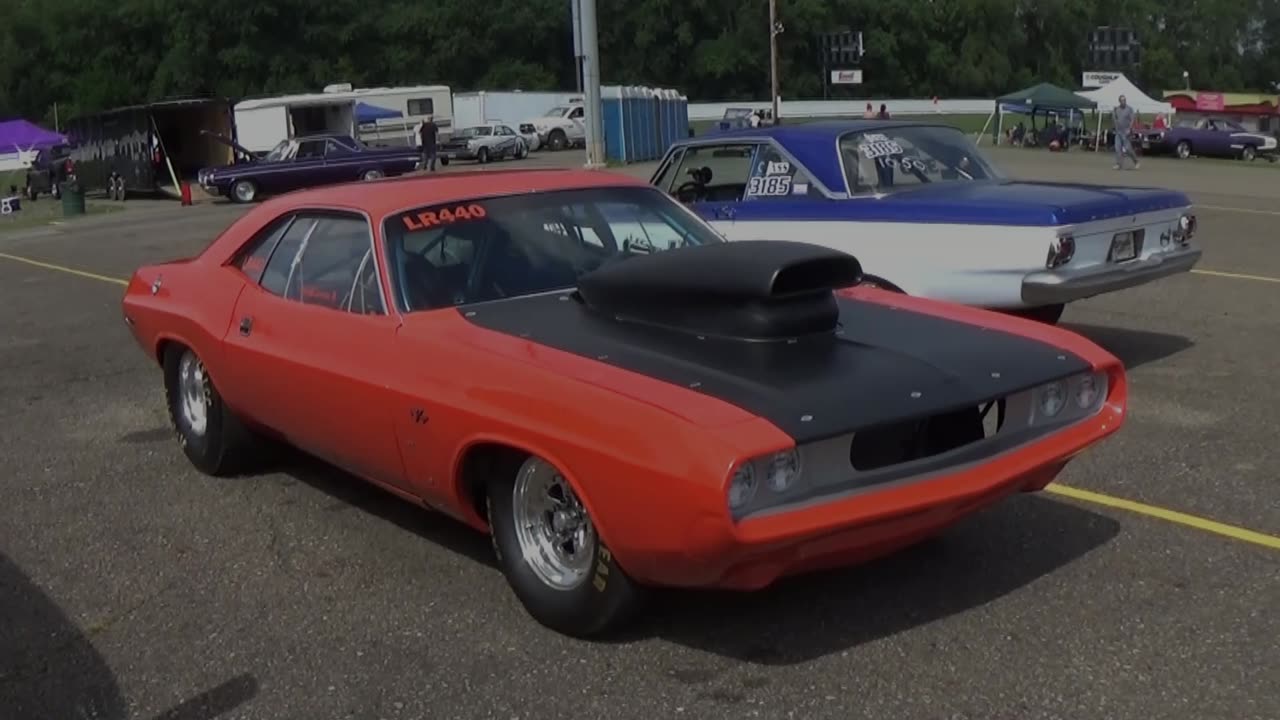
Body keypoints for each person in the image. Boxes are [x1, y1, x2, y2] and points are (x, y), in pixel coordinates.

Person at [1112, 95, 1139, 170]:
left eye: (1124, 100)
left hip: (1126, 131)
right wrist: (1114, 114)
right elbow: (1115, 120)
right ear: (1119, 101)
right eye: (1122, 100)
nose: (1123, 102)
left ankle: (1136, 162)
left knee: (1128, 149)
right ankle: (1118, 164)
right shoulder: (1116, 109)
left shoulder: (1129, 109)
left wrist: (1129, 129)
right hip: (1118, 132)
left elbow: (1132, 119)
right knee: (1117, 148)